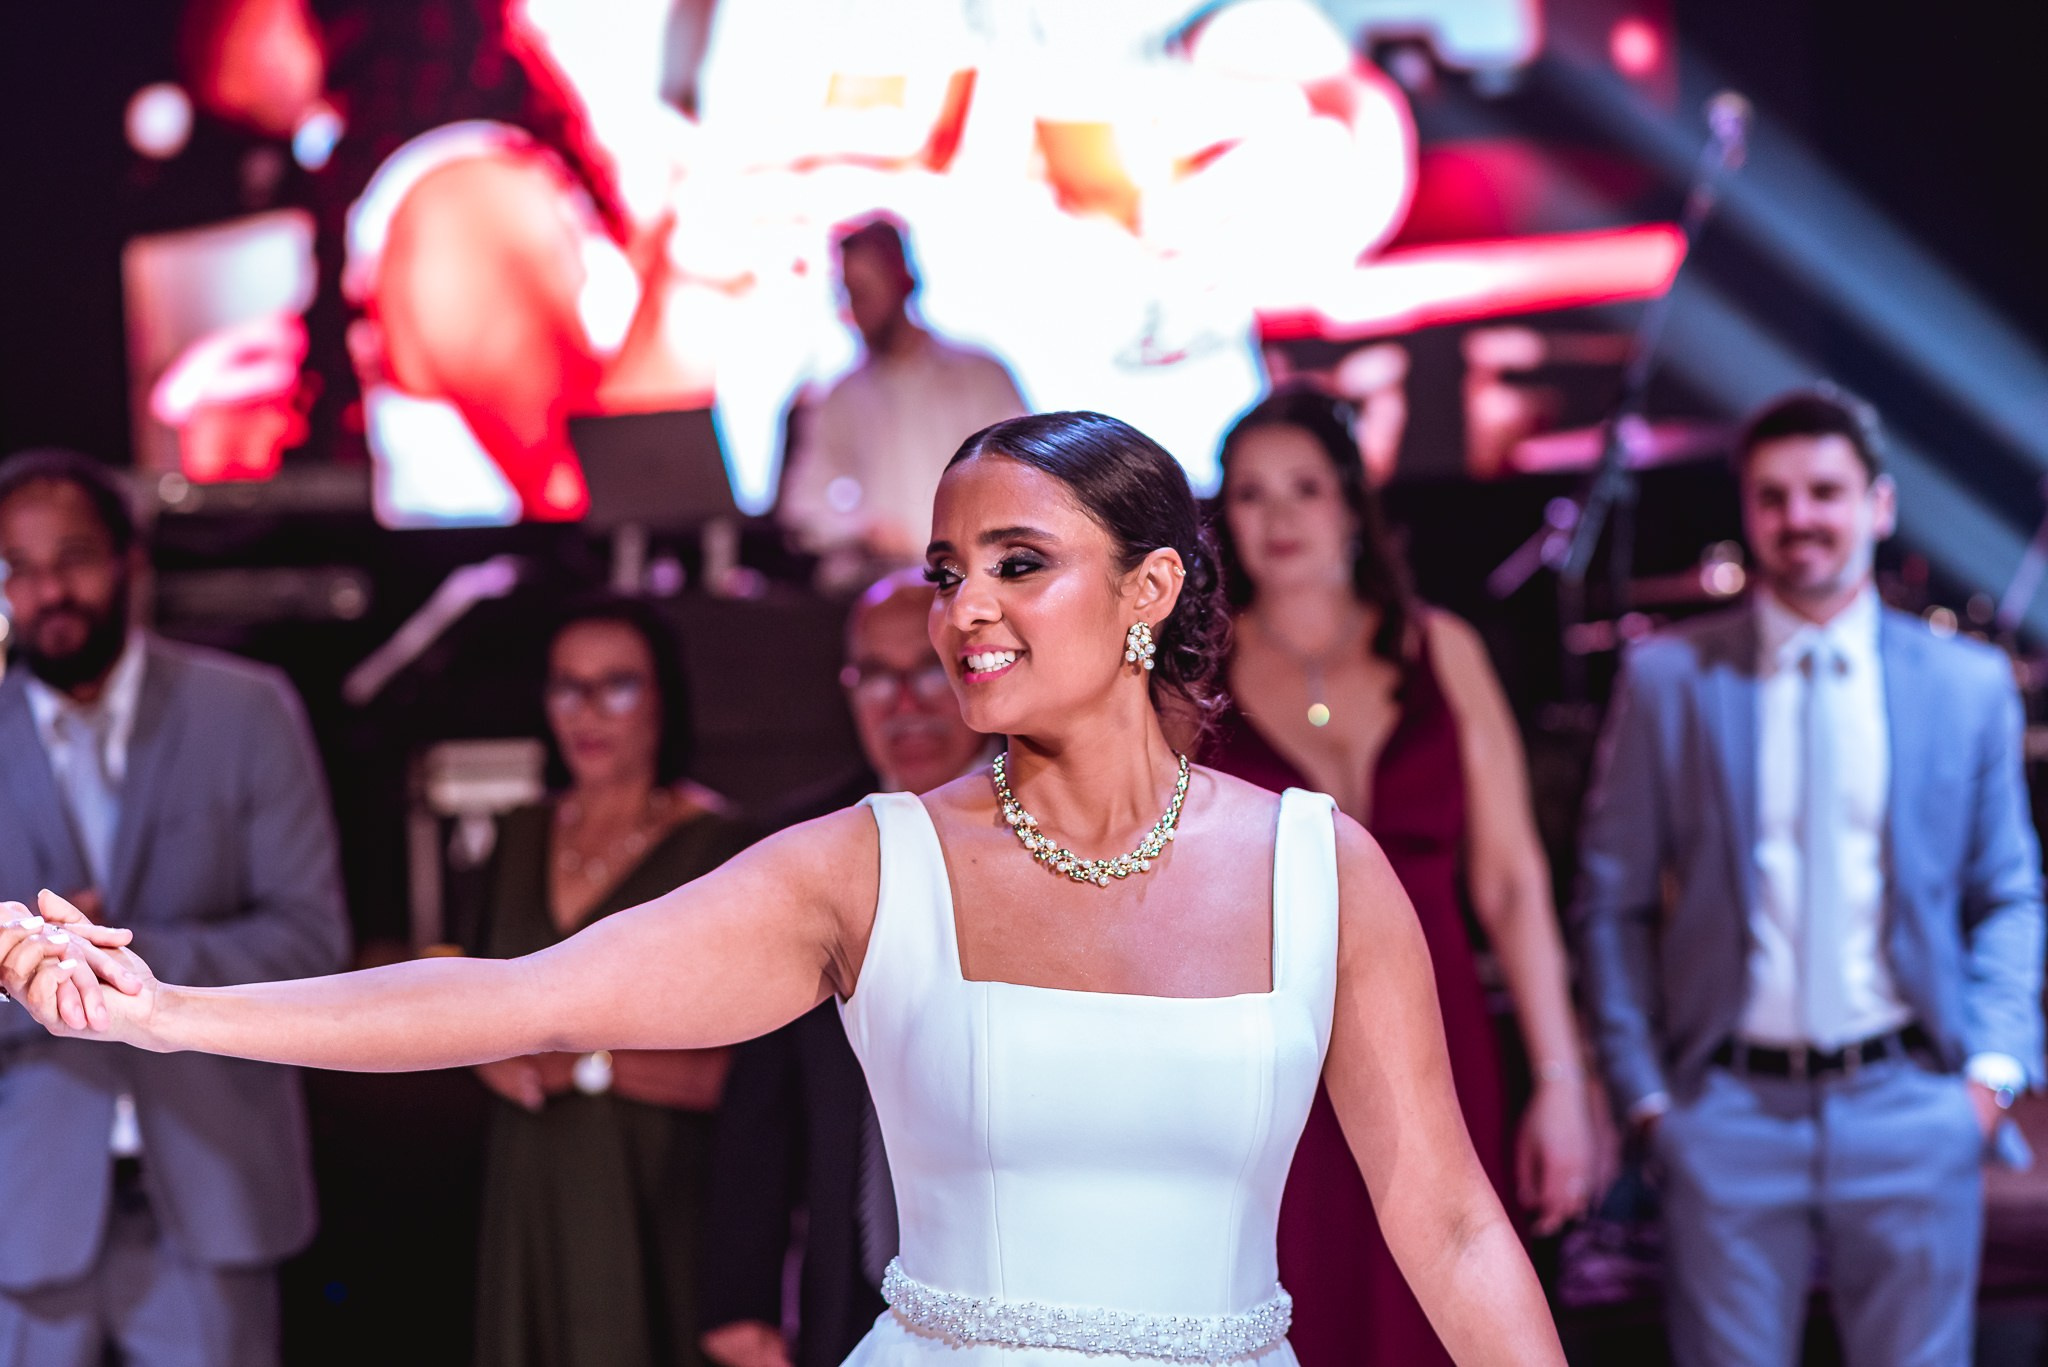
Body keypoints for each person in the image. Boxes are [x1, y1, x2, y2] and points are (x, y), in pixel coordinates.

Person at [5, 411, 1567, 1367]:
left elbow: (1447, 1218)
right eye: (950, 569)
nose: (967, 610)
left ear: (1150, 590)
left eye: (1020, 562)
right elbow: (513, 994)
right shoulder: (872, 866)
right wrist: (167, 1013)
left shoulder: (1320, 867)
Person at [1572, 387, 2045, 1367]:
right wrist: (1646, 1098)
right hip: (1726, 1111)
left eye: (1824, 491)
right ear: (1746, 510)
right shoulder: (1666, 678)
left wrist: (1992, 1072)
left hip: (1911, 1099)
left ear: (1876, 504)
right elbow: (1609, 899)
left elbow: (2006, 889)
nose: (1799, 519)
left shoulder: (1963, 686)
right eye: (1773, 495)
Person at [1204, 388, 1601, 1366]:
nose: (1279, 515)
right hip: (1274, 1058)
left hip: (1441, 1032)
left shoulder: (1442, 648)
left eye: (1303, 487)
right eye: (1250, 494)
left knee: (1443, 1306)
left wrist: (1557, 1076)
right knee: (1308, 1300)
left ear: (1350, 502)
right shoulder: (1190, 682)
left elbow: (1510, 881)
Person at [0, 448, 349, 1367]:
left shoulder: (247, 711)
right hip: (22, 1199)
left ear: (129, 562)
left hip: (214, 1180)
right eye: (17, 570)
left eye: (71, 557)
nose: (47, 590)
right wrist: (17, 970)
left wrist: (117, 957)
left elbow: (313, 942)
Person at [701, 570, 994, 1367]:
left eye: (928, 669)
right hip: (852, 1267)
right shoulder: (802, 845)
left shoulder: (1049, 829)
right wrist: (740, 1295)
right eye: (874, 674)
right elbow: (759, 1092)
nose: (903, 702)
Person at [468, 596, 754, 1367]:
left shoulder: (722, 848)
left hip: (650, 1184)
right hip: (529, 1181)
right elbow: (470, 984)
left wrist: (591, 1066)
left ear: (664, 696)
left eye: (616, 686)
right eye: (568, 686)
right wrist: (480, 1050)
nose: (587, 712)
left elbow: (753, 1071)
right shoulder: (520, 834)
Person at [777, 217, 1027, 580]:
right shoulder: (842, 397)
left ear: (901, 280)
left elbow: (1026, 479)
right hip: (885, 585)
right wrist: (863, 529)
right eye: (849, 293)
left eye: (866, 290)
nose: (856, 309)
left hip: (972, 579)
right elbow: (803, 503)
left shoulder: (979, 374)